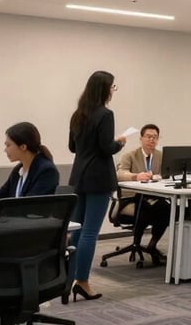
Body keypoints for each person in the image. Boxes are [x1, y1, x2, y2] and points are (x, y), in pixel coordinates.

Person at [68, 70, 127, 300]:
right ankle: (82, 282)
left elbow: (73, 147)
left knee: (77, 231)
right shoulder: (106, 114)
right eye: (112, 87)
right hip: (99, 177)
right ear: (104, 89)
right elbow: (106, 148)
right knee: (90, 232)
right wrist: (119, 143)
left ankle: (69, 279)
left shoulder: (77, 114)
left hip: (79, 176)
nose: (113, 91)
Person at [115, 123, 171, 264]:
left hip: (153, 196)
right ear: (141, 138)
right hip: (131, 198)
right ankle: (136, 243)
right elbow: (120, 174)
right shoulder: (130, 155)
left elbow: (167, 174)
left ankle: (152, 244)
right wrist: (136, 176)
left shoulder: (161, 156)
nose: (152, 140)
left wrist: (159, 177)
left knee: (167, 208)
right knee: (144, 207)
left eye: (155, 137)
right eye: (148, 136)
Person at [0, 122, 59, 198]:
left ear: (23, 147)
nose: (5, 150)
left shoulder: (47, 171)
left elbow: (31, 205)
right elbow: (2, 194)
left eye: (8, 145)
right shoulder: (18, 170)